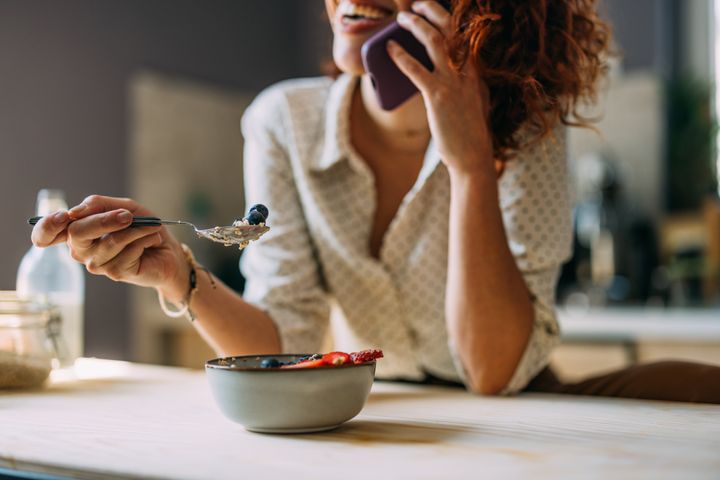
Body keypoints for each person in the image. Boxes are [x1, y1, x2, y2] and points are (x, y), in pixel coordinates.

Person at [31, 0, 720, 402]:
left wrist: (471, 165)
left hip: (519, 407)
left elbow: (491, 372)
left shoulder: (524, 135)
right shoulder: (284, 123)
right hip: (384, 416)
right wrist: (176, 274)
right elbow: (287, 346)